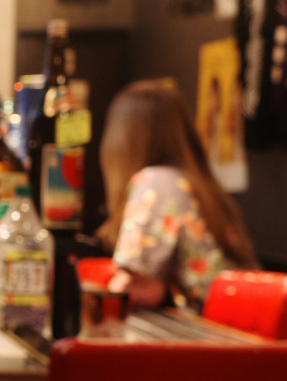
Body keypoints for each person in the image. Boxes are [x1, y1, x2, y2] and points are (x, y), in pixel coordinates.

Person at [96, 79, 259, 311]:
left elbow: (130, 286)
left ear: (121, 142)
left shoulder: (156, 181)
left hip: (218, 336)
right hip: (246, 330)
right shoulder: (198, 185)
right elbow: (153, 289)